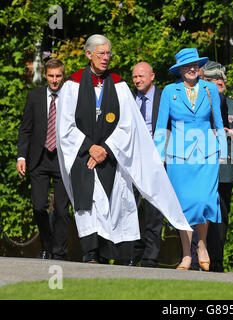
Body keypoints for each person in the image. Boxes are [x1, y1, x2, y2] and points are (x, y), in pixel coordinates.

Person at [56, 34, 191, 264]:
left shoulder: (118, 85)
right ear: (89, 54)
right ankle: (91, 253)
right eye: (101, 53)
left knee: (117, 203)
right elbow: (65, 126)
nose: (106, 58)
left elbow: (128, 125)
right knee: (88, 204)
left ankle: (120, 255)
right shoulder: (72, 85)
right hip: (83, 156)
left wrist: (105, 148)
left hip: (111, 156)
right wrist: (91, 148)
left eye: (108, 53)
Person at [154, 48, 227, 271]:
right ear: (180, 70)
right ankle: (186, 254)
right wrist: (158, 158)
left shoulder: (210, 89)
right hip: (178, 156)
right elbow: (160, 126)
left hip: (207, 153)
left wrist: (223, 152)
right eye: (187, 66)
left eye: (195, 65)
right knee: (184, 206)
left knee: (204, 201)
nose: (192, 68)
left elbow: (219, 122)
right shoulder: (169, 91)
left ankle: (202, 244)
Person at [17, 58, 70, 260]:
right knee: (39, 205)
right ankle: (47, 245)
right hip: (39, 159)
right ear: (46, 76)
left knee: (62, 210)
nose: (55, 80)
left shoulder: (70, 97)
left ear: (63, 76)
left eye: (58, 76)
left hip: (62, 159)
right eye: (51, 76)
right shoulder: (35, 96)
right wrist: (21, 156)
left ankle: (59, 251)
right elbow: (26, 129)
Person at [125, 61, 164, 267]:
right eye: (134, 77)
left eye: (141, 76)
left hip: (156, 161)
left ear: (152, 77)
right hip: (132, 161)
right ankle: (132, 255)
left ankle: (150, 257)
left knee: (153, 212)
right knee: (131, 209)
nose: (137, 80)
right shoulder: (129, 98)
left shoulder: (163, 97)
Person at [201, 60, 233, 272]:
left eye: (220, 78)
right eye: (212, 79)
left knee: (221, 216)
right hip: (200, 168)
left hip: (225, 170)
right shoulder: (196, 105)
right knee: (199, 213)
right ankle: (196, 258)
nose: (218, 82)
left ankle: (216, 261)